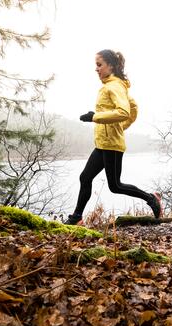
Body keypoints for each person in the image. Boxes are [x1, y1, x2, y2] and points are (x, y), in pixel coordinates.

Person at [65, 49, 162, 225]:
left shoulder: (115, 86)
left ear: (111, 66)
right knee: (85, 178)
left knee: (115, 186)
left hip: (112, 145)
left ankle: (151, 198)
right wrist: (119, 127)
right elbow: (133, 107)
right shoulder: (112, 86)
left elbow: (124, 111)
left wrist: (95, 117)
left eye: (99, 65)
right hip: (102, 143)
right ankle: (77, 218)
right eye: (96, 65)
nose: (96, 69)